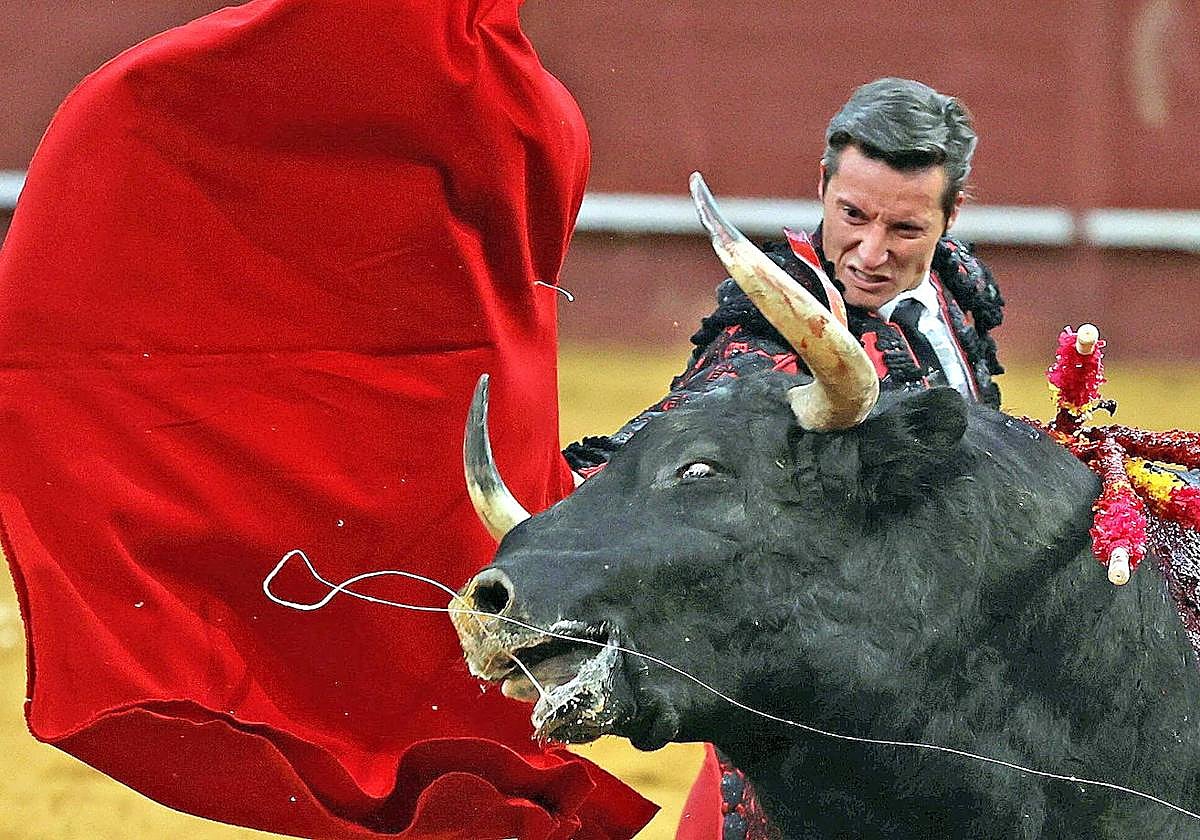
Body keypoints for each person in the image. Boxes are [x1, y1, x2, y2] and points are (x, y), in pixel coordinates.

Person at [0, 2, 654, 838]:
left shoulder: (181, 87)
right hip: (437, 429)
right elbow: (536, 243)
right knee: (446, 624)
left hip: (351, 415)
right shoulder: (532, 113)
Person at [564, 77, 1008, 840]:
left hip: (950, 703)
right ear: (823, 186)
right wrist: (590, 488)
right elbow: (688, 426)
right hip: (817, 717)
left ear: (949, 218)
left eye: (904, 229)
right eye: (853, 216)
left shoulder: (952, 293)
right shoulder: (771, 335)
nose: (871, 253)